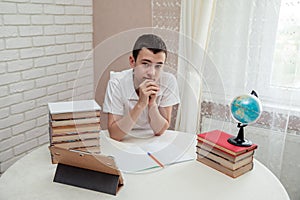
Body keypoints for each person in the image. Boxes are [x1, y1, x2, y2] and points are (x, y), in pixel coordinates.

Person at [103, 34, 180, 141]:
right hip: (126, 138)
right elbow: (115, 134)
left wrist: (151, 104)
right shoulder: (116, 83)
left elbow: (160, 130)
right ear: (132, 61)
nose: (152, 73)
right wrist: (141, 104)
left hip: (152, 139)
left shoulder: (168, 81)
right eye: (145, 64)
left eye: (158, 66)